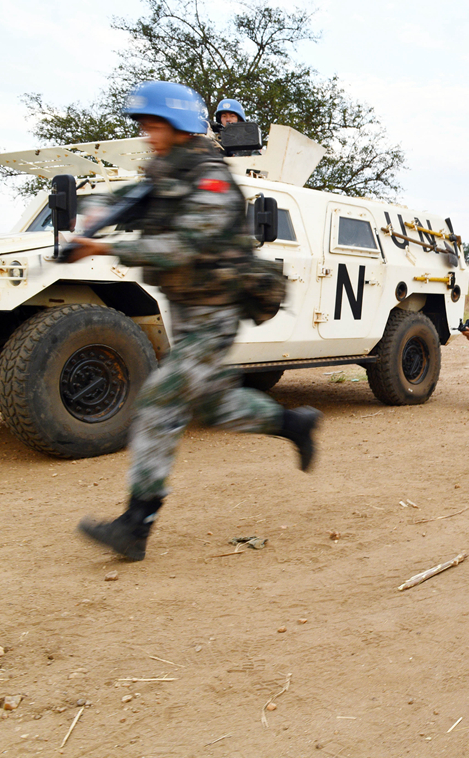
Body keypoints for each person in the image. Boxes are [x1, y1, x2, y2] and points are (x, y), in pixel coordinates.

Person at [65, 81, 320, 562]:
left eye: (155, 125)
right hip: (186, 310)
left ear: (180, 125)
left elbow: (184, 247)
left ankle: (135, 525)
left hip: (216, 314)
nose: (148, 135)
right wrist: (93, 219)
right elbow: (132, 199)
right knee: (210, 406)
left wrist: (105, 246)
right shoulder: (166, 173)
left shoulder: (211, 180)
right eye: (144, 126)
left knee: (161, 399)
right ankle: (293, 423)